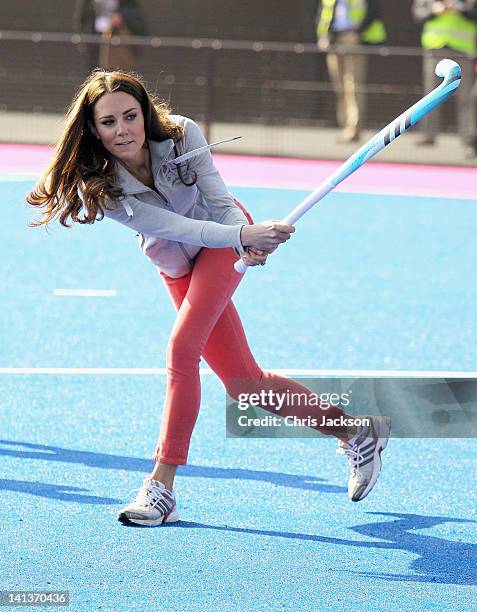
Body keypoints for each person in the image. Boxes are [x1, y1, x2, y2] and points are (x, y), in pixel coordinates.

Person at [26, 70, 391, 527]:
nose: (122, 130)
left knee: (182, 351)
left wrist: (241, 238)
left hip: (223, 243)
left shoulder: (182, 135)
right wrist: (242, 234)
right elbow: (174, 229)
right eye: (108, 122)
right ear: (92, 129)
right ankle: (357, 430)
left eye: (130, 116)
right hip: (181, 265)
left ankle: (161, 487)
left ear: (145, 113)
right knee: (246, 385)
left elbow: (219, 202)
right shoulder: (103, 187)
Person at [315, 0, 386, 143]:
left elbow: (373, 11)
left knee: (353, 87)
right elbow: (323, 14)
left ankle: (353, 129)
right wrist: (323, 36)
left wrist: (358, 32)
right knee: (339, 88)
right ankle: (344, 126)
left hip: (353, 39)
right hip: (333, 40)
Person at [412, 0, 477, 156]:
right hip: (435, 49)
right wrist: (434, 10)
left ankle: (469, 140)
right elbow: (418, 14)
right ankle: (428, 135)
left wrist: (460, 9)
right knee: (431, 96)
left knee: (466, 99)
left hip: (462, 50)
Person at [73, 0, 147, 72]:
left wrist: (121, 17)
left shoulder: (127, 4)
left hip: (114, 43)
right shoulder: (89, 4)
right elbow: (83, 18)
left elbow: (136, 16)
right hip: (94, 43)